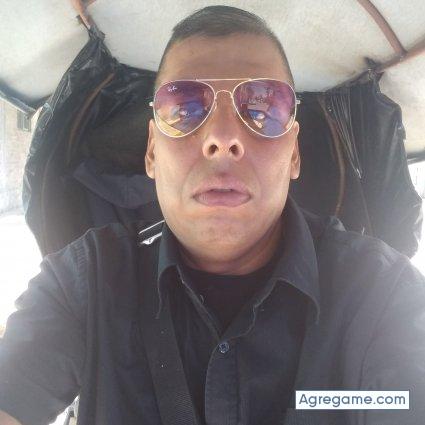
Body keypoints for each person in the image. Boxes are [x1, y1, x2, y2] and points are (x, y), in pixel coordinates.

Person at [1, 5, 425, 425]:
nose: (222, 138)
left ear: (294, 153)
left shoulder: (382, 295)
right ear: (152, 152)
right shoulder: (85, 283)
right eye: (184, 108)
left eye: (261, 108)